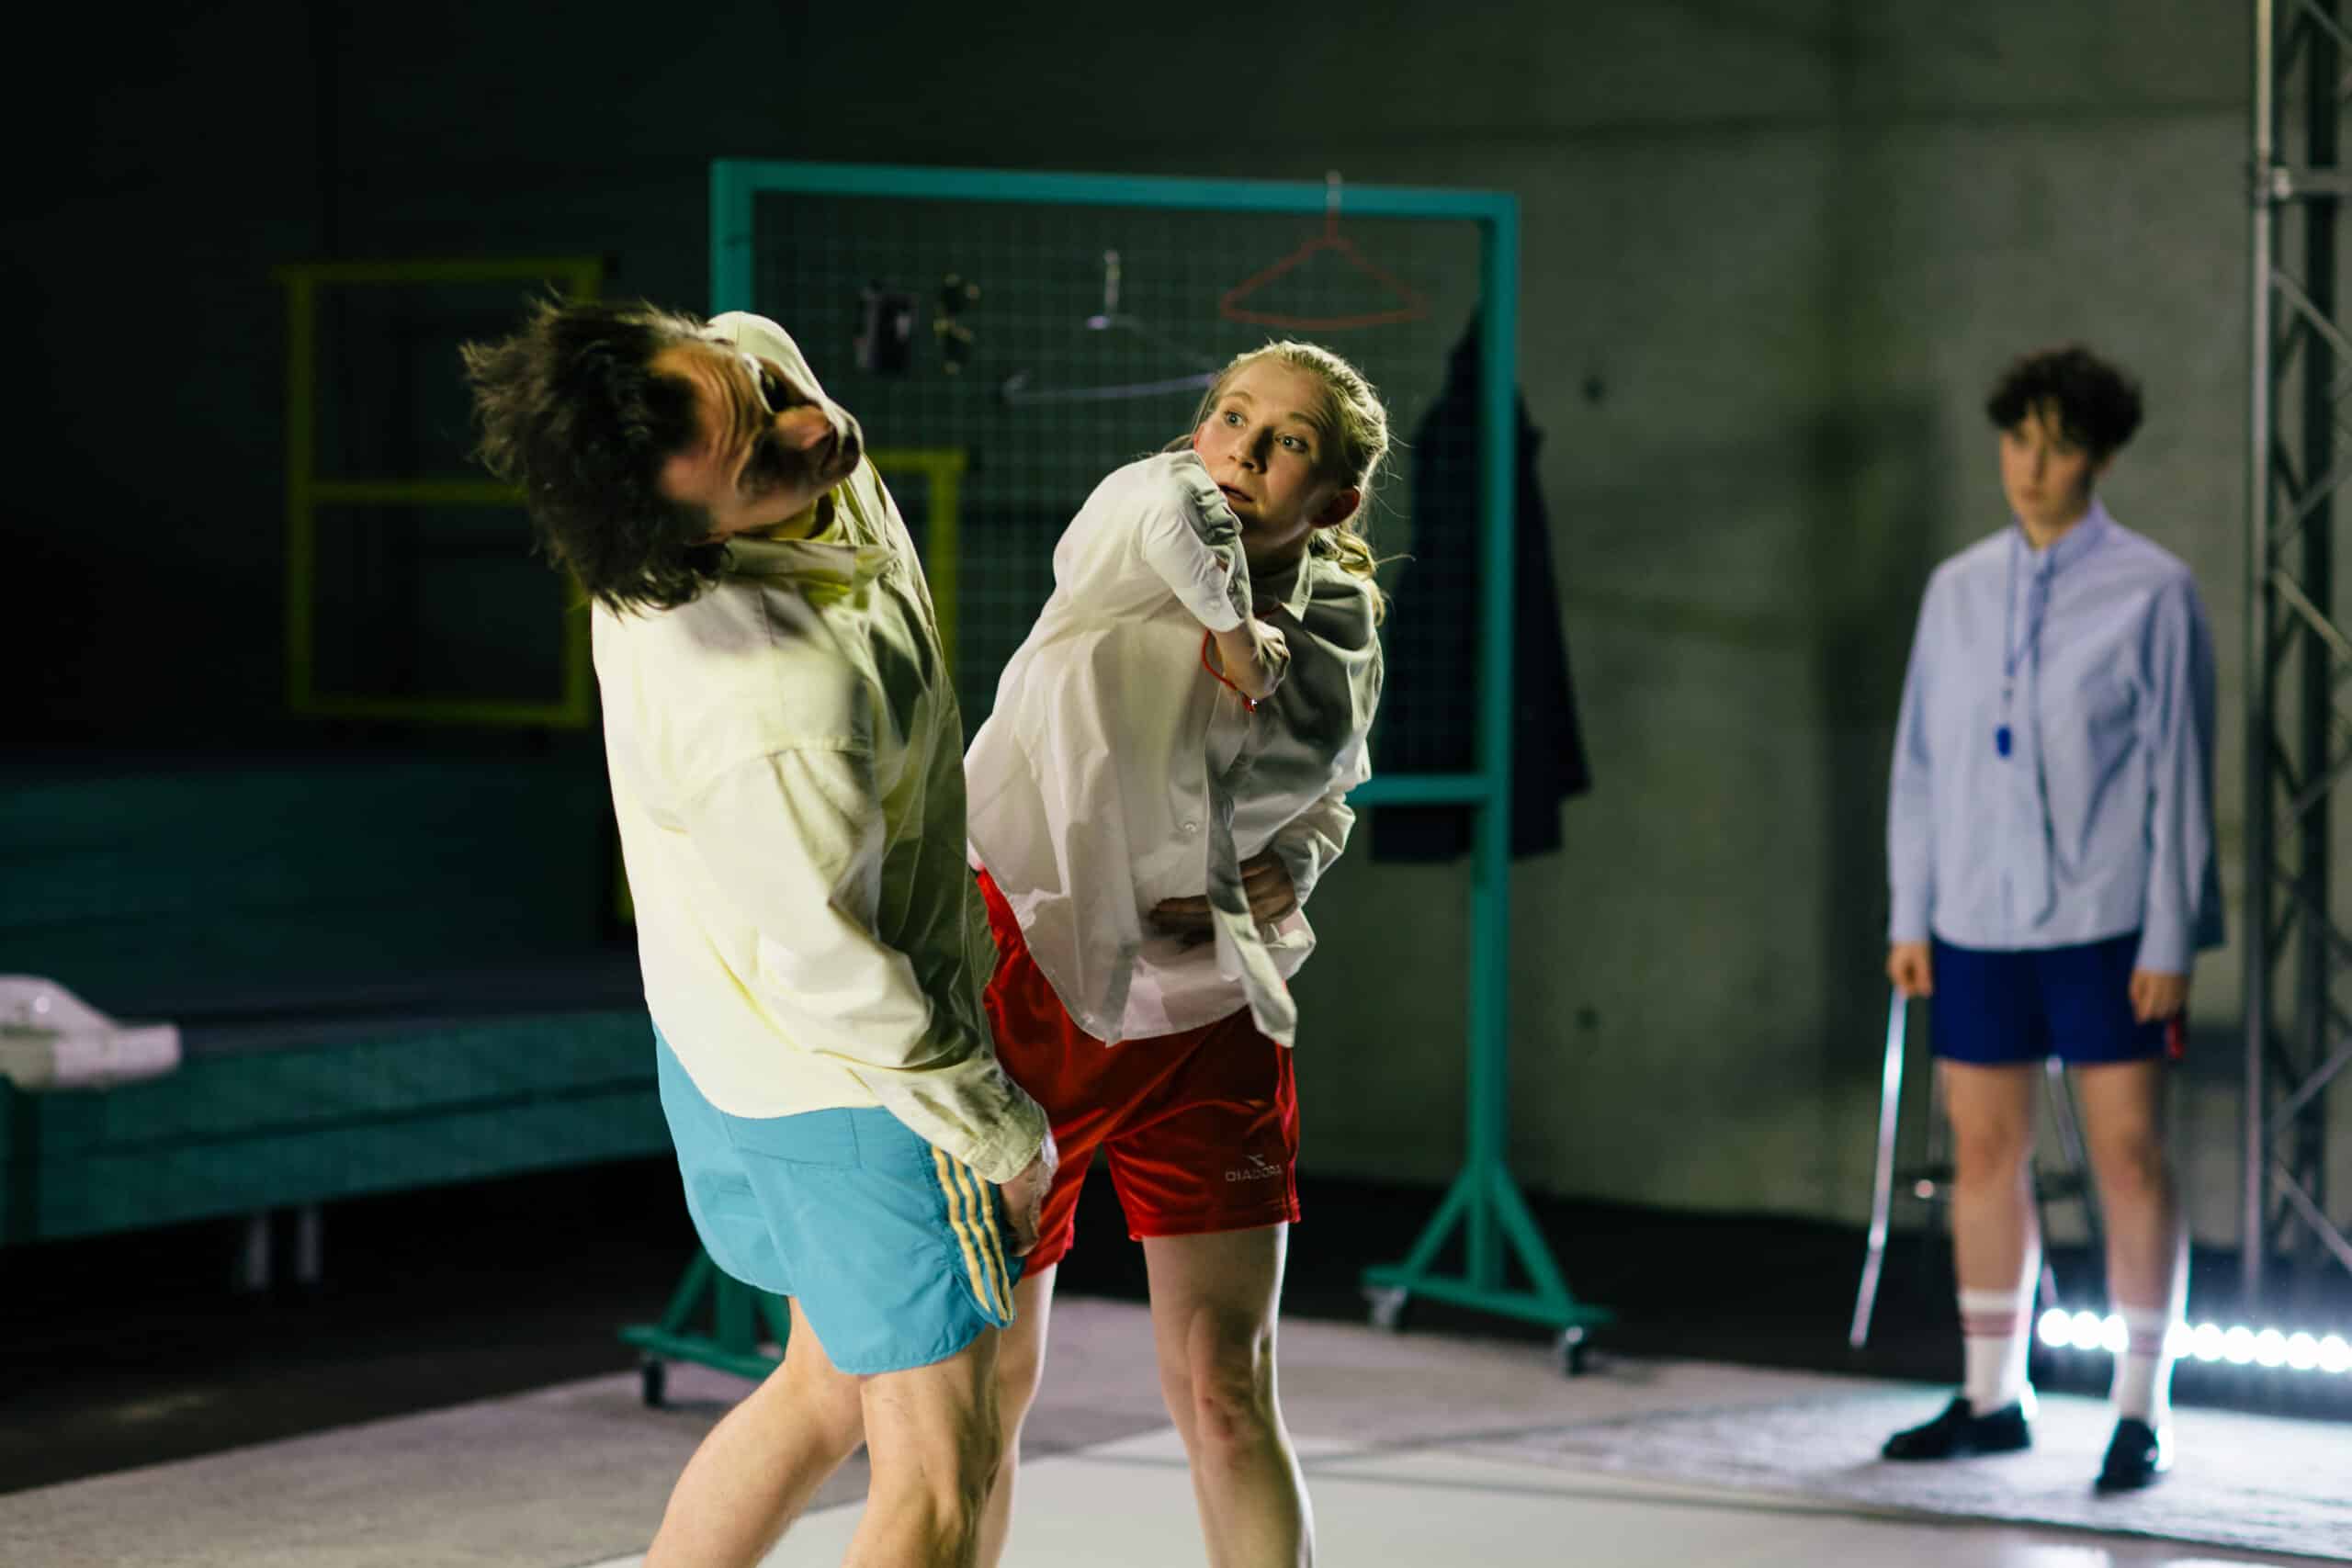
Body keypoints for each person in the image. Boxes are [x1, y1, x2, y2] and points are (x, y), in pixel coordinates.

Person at [462, 299, 1057, 1568]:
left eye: (759, 390)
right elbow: (835, 973)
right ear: (690, 543)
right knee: (938, 1479)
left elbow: (753, 380)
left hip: (722, 1038)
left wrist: (757, 398)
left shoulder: (743, 360)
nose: (807, 429)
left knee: (824, 1384)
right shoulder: (773, 700)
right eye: (763, 465)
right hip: (852, 1082)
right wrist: (996, 1127)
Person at [961, 340, 1390, 1567]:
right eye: (1229, 416)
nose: (1243, 450)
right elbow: (1170, 514)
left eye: (1288, 440)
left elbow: (1330, 792)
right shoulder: (1137, 516)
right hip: (1035, 976)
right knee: (986, 1385)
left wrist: (1294, 864)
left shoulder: (1345, 621)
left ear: (1335, 501)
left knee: (1224, 1384)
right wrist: (1233, 629)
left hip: (1211, 1016)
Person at [1882, 344, 2222, 1494]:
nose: (2031, 466)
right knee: (1983, 1152)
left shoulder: (2153, 590)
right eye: (2018, 440)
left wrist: (2170, 936)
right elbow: (1918, 762)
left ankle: (2138, 1408)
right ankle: (1991, 1397)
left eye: (2060, 445)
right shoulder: (1957, 587)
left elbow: (2179, 776)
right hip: (1974, 918)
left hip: (2108, 920)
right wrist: (1912, 912)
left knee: (2127, 1155)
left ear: (2101, 458)